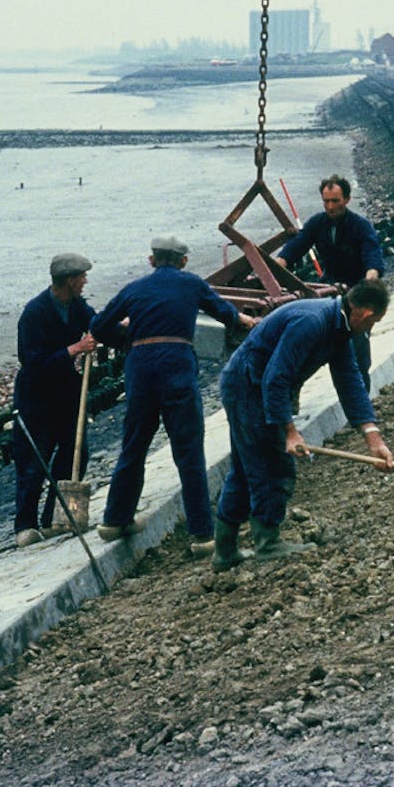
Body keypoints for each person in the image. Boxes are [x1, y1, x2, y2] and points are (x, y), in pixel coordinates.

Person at [90, 235, 257, 555]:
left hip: (140, 370)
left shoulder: (134, 288)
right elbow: (224, 312)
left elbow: (98, 326)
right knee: (188, 451)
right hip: (176, 367)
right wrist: (246, 320)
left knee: (134, 445)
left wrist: (129, 339)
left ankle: (115, 519)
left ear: (151, 260)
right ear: (183, 261)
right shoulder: (191, 284)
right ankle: (202, 535)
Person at [213, 279, 394, 570]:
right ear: (361, 311)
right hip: (248, 386)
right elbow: (276, 377)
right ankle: (267, 543)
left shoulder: (339, 329)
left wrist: (374, 439)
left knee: (247, 467)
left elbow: (350, 382)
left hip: (257, 385)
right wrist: (290, 431)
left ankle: (225, 552)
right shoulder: (311, 322)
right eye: (374, 319)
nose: (371, 327)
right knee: (271, 463)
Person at [11, 253, 98, 548]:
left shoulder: (76, 305)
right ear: (70, 281)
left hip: (66, 392)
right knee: (34, 460)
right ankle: (25, 525)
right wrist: (74, 349)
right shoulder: (34, 313)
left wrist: (120, 325)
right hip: (37, 396)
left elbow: (95, 322)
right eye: (82, 277)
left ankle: (55, 518)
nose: (86, 281)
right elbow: (32, 361)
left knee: (76, 453)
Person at [272, 174, 386, 391]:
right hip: (329, 293)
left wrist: (371, 279)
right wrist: (278, 264)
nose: (330, 206)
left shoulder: (361, 226)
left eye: (335, 201)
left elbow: (372, 254)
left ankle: (364, 399)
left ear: (347, 199)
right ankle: (293, 389)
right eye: (326, 201)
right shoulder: (317, 223)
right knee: (312, 345)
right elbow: (297, 245)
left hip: (357, 293)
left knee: (358, 350)